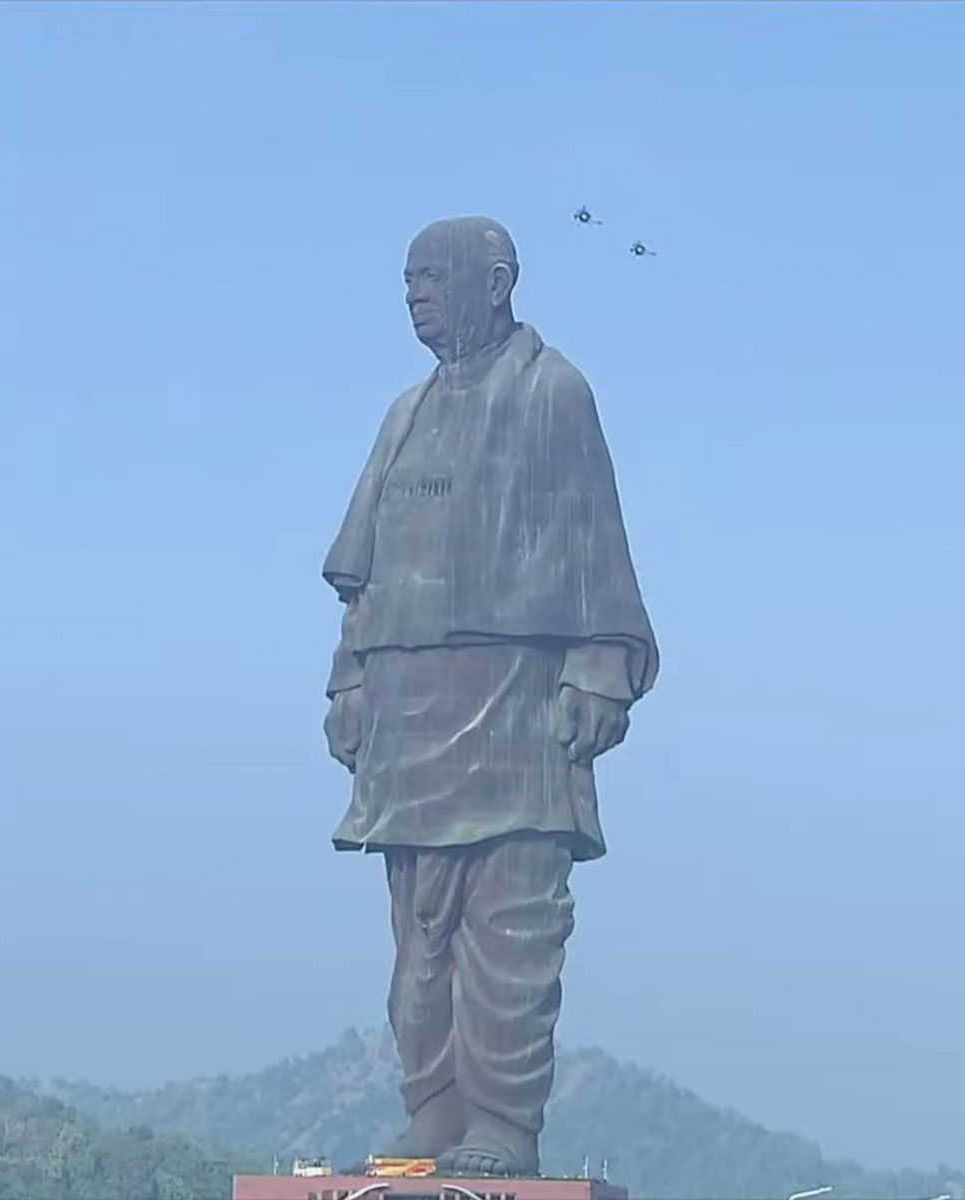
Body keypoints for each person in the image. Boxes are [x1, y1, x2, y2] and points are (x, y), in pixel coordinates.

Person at [320, 215, 658, 1178]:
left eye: (435, 277)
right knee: (418, 937)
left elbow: (597, 544)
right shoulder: (405, 412)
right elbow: (362, 579)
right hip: (406, 704)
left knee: (511, 922)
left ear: (498, 282)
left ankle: (503, 1121)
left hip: (513, 702)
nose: (416, 294)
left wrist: (597, 666)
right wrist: (348, 679)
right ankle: (433, 1107)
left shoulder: (553, 393)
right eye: (408, 279)